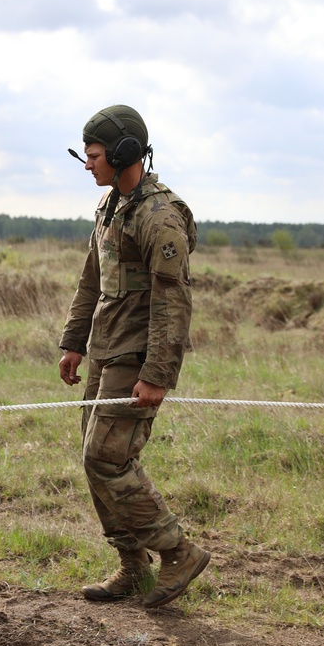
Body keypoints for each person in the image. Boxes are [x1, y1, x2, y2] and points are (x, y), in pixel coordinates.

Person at [58, 104, 209, 609]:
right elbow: (91, 280)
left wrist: (158, 374)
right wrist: (74, 342)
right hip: (105, 349)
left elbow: (173, 301)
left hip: (138, 357)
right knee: (94, 460)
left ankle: (178, 552)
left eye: (94, 155)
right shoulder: (110, 207)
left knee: (108, 458)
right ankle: (132, 566)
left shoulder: (160, 216)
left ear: (123, 152)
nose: (87, 165)